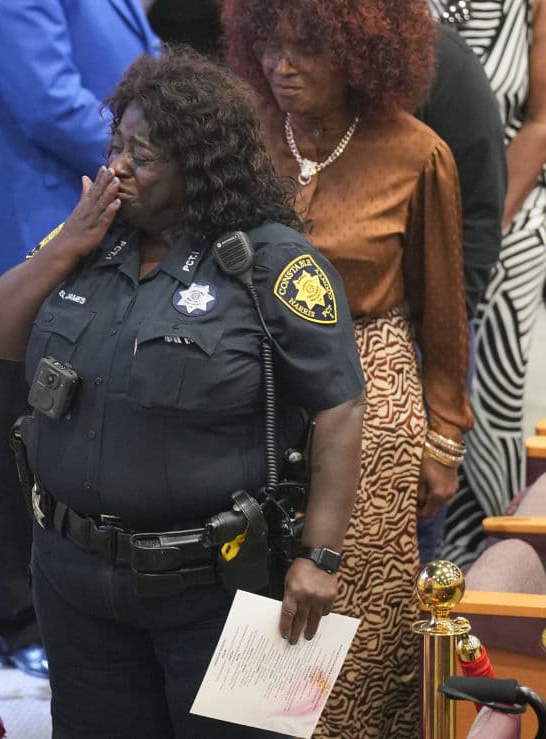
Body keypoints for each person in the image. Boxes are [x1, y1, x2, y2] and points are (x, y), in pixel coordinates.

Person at [0, 48, 366, 738]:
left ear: (199, 165)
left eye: (145, 155)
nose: (119, 166)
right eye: (117, 145)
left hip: (232, 581)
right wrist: (68, 241)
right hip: (75, 578)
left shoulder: (274, 263)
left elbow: (340, 405)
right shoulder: (90, 242)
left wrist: (320, 554)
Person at [222, 0, 475, 735]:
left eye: (309, 48)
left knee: (353, 610)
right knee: (261, 606)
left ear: (364, 54)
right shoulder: (241, 142)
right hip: (254, 389)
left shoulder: (417, 153)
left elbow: (444, 311)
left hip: (372, 394)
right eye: (270, 44)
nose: (282, 64)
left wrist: (445, 437)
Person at [0, 0, 159, 678]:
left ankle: (82, 603)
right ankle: (14, 615)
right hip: (46, 211)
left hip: (116, 203)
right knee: (27, 421)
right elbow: (48, 103)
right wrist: (161, 156)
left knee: (87, 419)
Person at [429, 0, 546, 567]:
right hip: (410, 215)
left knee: (489, 410)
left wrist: (478, 232)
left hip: (504, 213)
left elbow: (541, 121)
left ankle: (482, 577)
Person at [414, 23, 507, 562]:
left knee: (417, 537)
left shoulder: (443, 65)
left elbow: (478, 220)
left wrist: (446, 325)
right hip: (308, 342)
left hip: (428, 335)